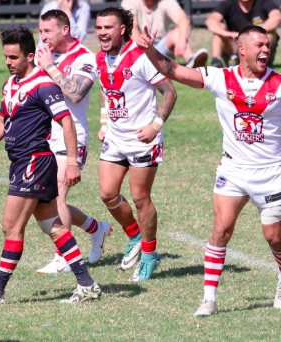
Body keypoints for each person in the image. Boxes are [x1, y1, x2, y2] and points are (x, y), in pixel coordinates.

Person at [136, 24, 281, 315]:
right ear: (242, 50)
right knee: (221, 230)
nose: (266, 50)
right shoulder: (220, 77)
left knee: (275, 238)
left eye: (267, 45)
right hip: (233, 169)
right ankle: (209, 299)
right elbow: (175, 71)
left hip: (270, 172)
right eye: (259, 45)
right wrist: (150, 49)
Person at [0, 25, 100, 304]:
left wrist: (73, 162)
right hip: (20, 162)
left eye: (14, 58)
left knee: (11, 225)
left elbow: (66, 121)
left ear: (30, 57)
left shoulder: (44, 85)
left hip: (35, 162)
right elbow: (2, 123)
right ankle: (86, 283)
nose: (8, 62)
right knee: (52, 225)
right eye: (6, 57)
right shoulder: (10, 85)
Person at [94, 7, 177, 281]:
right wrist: (105, 123)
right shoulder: (100, 58)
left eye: (108, 27)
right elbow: (107, 93)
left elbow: (170, 92)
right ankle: (134, 236)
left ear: (121, 29)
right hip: (116, 138)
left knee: (141, 198)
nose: (102, 32)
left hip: (143, 140)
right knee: (107, 193)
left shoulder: (140, 57)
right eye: (99, 27)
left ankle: (150, 255)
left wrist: (156, 126)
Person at [34, 9, 112, 274]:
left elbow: (76, 93)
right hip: (42, 135)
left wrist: (50, 67)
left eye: (47, 31)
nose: (42, 36)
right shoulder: (43, 53)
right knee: (44, 201)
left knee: (57, 196)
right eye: (40, 31)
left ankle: (64, 256)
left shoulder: (84, 57)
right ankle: (96, 228)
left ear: (64, 30)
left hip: (71, 135)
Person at [121, 0, 208, 68]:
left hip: (160, 48)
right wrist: (143, 48)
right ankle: (142, 65)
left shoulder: (166, 2)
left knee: (178, 33)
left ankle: (191, 60)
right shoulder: (129, 2)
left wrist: (182, 41)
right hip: (139, 49)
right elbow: (132, 29)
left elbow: (183, 20)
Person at [205, 0, 281, 67]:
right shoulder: (228, 3)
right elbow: (211, 21)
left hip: (259, 49)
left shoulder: (264, 2)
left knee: (270, 33)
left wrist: (253, 33)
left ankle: (259, 60)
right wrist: (227, 34)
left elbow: (277, 17)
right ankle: (216, 62)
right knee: (219, 28)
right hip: (234, 47)